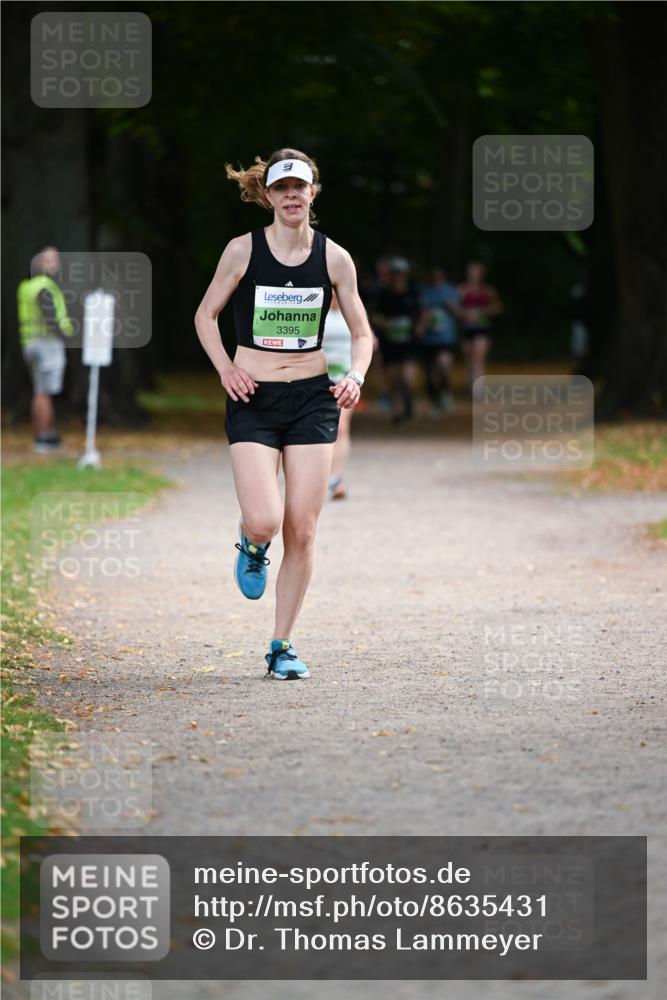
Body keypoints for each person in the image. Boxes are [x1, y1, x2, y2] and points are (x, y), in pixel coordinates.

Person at [194, 148, 373, 680]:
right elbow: (206, 315)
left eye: (301, 186)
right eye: (282, 187)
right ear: (268, 195)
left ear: (313, 192)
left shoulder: (335, 258)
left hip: (313, 400)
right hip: (253, 398)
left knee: (302, 529)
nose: (292, 195)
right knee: (267, 520)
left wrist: (356, 376)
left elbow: (362, 332)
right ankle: (251, 542)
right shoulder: (242, 251)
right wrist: (226, 369)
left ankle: (281, 645)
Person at [18, 246, 74, 453]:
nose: (56, 263)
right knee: (44, 392)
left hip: (30, 343)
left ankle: (46, 434)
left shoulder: (27, 285)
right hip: (46, 344)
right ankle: (43, 436)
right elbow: (50, 316)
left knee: (40, 390)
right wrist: (67, 335)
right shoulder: (44, 286)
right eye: (52, 260)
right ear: (40, 263)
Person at [373, 259, 421, 424]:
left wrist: (420, 326)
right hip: (390, 344)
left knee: (407, 379)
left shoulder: (414, 294)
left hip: (409, 344)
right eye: (395, 274)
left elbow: (425, 313)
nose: (398, 278)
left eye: (401, 274)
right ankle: (397, 411)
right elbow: (376, 316)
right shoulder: (385, 295)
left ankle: (408, 404)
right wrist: (383, 323)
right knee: (393, 380)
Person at [321, 289, 354, 499]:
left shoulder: (352, 312)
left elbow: (365, 337)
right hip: (318, 380)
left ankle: (336, 479)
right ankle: (318, 478)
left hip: (344, 379)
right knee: (320, 431)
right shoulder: (317, 311)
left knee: (341, 428)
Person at [418, 266, 460, 416]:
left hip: (445, 338)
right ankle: (434, 402)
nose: (437, 279)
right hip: (428, 339)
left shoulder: (451, 290)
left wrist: (452, 307)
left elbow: (460, 313)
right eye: (434, 276)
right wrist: (423, 322)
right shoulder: (424, 291)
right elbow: (420, 313)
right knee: (429, 374)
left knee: (443, 366)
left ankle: (445, 393)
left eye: (439, 276)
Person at [458, 261, 503, 398]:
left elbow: (498, 307)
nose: (473, 276)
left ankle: (479, 390)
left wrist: (484, 311)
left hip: (483, 329)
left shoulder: (488, 290)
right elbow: (456, 309)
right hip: (467, 329)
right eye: (471, 273)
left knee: (478, 357)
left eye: (476, 273)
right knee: (468, 358)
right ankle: (470, 385)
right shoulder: (462, 289)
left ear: (481, 275)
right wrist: (465, 314)